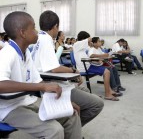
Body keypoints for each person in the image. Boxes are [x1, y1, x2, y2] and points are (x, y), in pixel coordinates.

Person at [0, 11, 83, 139]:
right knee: (54, 130)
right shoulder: (7, 53)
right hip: (8, 109)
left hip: (26, 102)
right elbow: (1, 84)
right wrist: (42, 87)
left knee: (71, 115)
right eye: (33, 28)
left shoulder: (25, 53)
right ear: (22, 33)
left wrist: (63, 103)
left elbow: (38, 82)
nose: (37, 31)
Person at [32, 10, 104, 126]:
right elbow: (54, 68)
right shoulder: (46, 40)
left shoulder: (38, 38)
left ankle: (73, 129)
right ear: (55, 26)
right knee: (97, 104)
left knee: (83, 89)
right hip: (51, 85)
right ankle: (71, 131)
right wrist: (73, 71)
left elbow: (50, 66)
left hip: (44, 81)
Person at [73, 31, 121, 101]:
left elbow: (88, 57)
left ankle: (109, 90)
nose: (89, 42)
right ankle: (108, 94)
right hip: (85, 68)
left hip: (88, 66)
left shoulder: (82, 48)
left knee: (107, 70)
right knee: (106, 72)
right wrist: (91, 42)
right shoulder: (77, 44)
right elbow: (89, 39)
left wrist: (97, 60)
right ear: (84, 39)